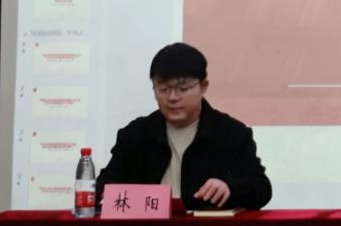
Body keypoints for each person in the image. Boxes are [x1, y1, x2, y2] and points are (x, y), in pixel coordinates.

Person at [96, 42, 272, 210]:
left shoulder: (231, 133)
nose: (172, 97)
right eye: (163, 89)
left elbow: (261, 188)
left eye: (183, 88)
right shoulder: (136, 135)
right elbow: (103, 187)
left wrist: (230, 188)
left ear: (203, 87)